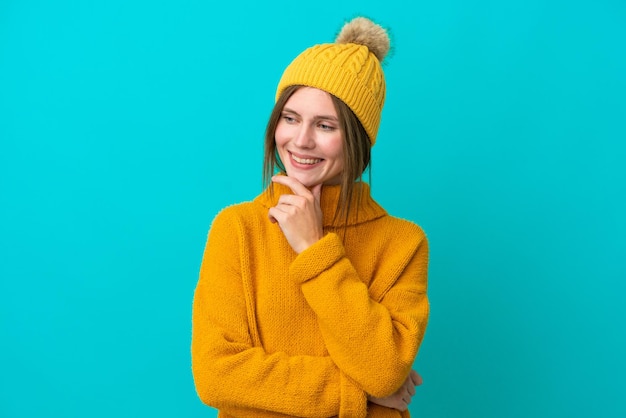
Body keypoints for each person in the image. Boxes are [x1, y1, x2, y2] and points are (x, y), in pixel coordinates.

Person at [191, 16, 429, 418]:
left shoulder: (402, 242)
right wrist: (357, 395)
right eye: (290, 118)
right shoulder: (237, 228)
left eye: (325, 125)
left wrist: (315, 249)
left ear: (357, 137)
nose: (301, 141)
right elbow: (216, 374)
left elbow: (385, 372)